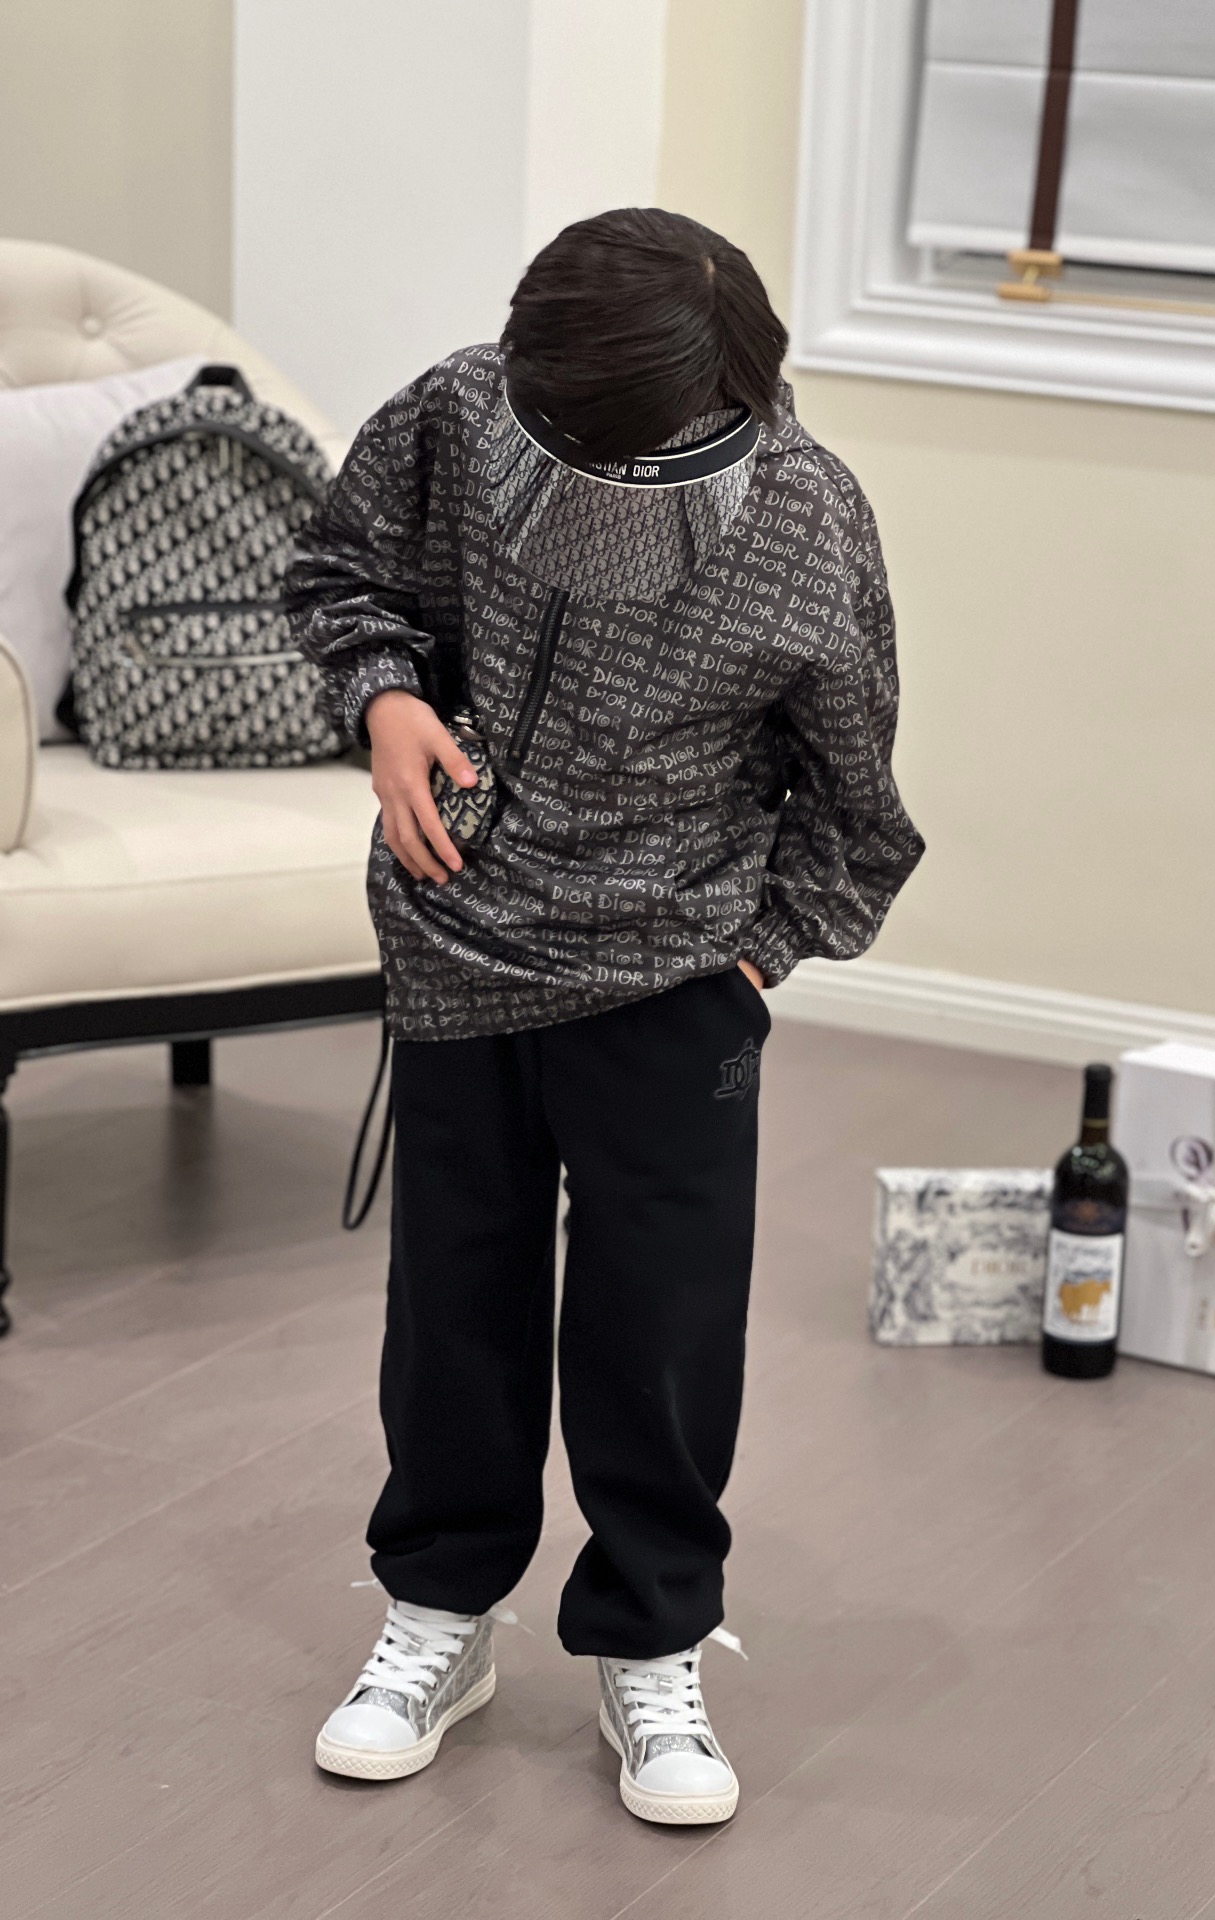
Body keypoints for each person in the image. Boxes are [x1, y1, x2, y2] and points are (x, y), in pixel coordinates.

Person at [285, 208, 923, 1825]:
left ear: (728, 402)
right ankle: (440, 1610)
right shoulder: (457, 411)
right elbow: (342, 575)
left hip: (675, 983)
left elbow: (856, 794)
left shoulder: (807, 520)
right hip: (456, 946)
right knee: (453, 1303)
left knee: (662, 1329)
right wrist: (387, 699)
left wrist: (752, 962)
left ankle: (654, 1639)